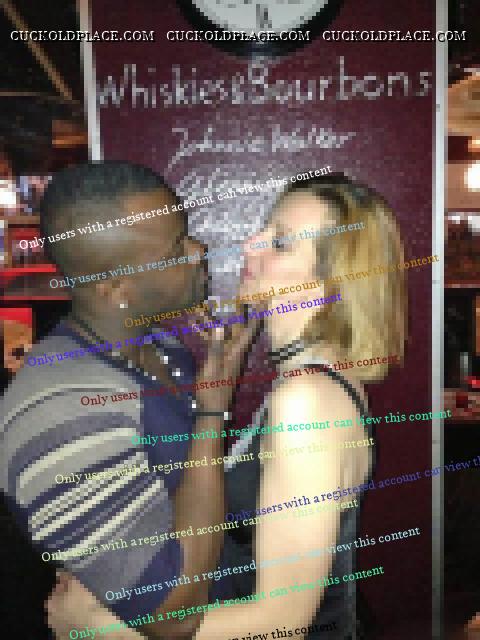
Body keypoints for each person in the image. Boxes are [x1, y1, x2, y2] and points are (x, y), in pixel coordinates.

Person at [44, 173, 407, 639]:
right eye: (264, 228)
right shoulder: (312, 381)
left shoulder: (307, 401)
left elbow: (282, 622)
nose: (252, 243)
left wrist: (98, 629)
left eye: (280, 242)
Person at [0, 162, 257, 639]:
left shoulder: (164, 349)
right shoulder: (63, 408)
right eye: (177, 247)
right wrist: (211, 411)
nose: (199, 251)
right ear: (117, 288)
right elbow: (173, 616)